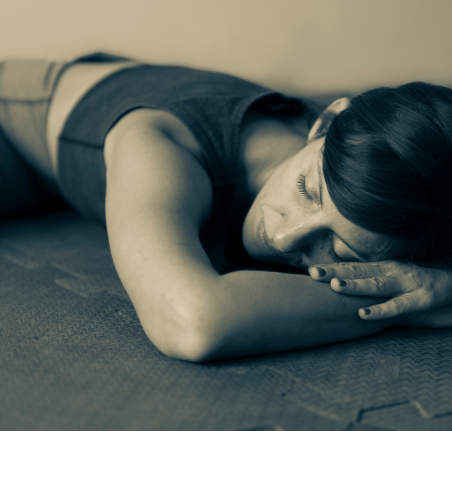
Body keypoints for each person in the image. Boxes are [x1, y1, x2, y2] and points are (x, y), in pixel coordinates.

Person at [1, 52, 452, 362]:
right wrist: (411, 299)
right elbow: (194, 321)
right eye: (305, 189)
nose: (283, 237)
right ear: (325, 123)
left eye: (339, 252)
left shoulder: (386, 171)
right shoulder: (164, 148)